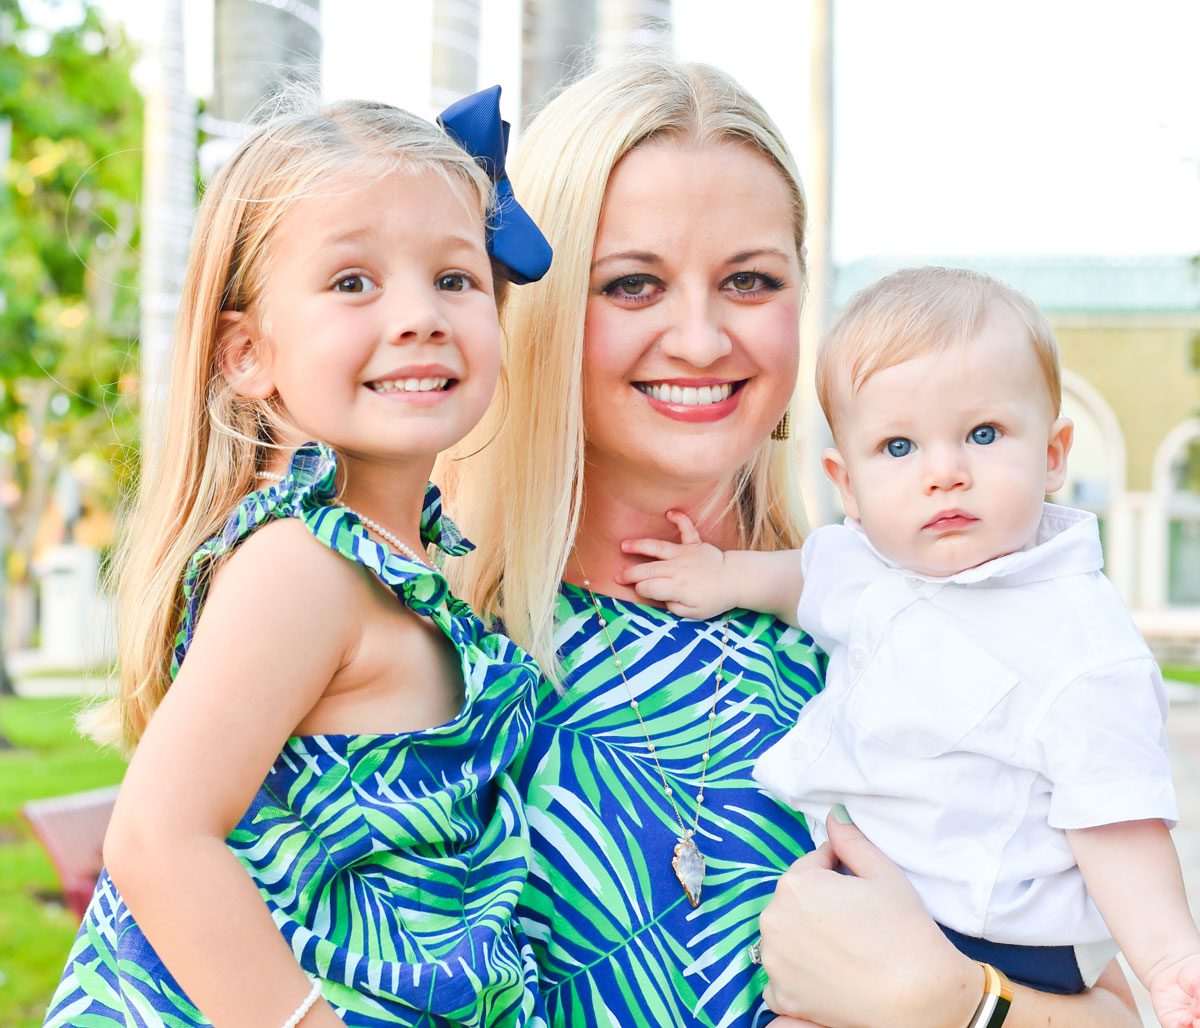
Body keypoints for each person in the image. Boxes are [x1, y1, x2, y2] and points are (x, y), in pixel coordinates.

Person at [445, 56, 1142, 1028]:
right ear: (542, 307)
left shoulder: (900, 622)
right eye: (633, 284)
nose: (700, 339)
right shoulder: (432, 654)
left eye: (750, 280)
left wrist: (958, 1006)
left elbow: (1117, 1005)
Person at [45, 88, 552, 1027]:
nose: (420, 316)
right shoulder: (302, 567)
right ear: (247, 352)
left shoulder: (388, 565)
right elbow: (158, 838)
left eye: (455, 277)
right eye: (353, 282)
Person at [623, 265, 1200, 1026]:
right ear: (848, 486)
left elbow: (1117, 819)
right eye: (898, 446)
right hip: (869, 909)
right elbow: (803, 579)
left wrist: (1168, 960)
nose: (944, 473)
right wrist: (723, 574)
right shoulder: (866, 565)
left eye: (983, 435)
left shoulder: (1078, 641)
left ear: (1055, 453)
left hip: (998, 935)